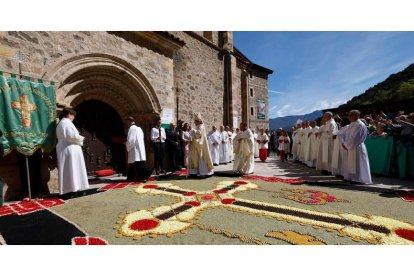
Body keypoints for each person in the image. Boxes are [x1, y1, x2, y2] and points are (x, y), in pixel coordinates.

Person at [56, 108, 89, 195]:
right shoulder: (67, 123)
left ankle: (72, 189)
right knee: (73, 168)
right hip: (70, 148)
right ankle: (73, 190)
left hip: (65, 148)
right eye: (73, 115)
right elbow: (71, 136)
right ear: (69, 114)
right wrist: (81, 138)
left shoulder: (61, 123)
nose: (73, 117)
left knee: (69, 169)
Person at [341, 110, 372, 184]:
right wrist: (344, 143)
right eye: (349, 115)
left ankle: (359, 179)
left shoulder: (359, 125)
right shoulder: (352, 124)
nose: (349, 117)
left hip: (357, 147)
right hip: (351, 147)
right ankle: (351, 177)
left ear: (357, 115)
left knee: (358, 163)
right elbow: (346, 135)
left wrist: (345, 144)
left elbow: (355, 138)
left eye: (351, 115)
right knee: (351, 163)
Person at [188, 113, 214, 177]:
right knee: (196, 158)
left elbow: (198, 135)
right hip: (196, 145)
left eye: (195, 121)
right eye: (194, 121)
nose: (194, 122)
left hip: (202, 146)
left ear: (199, 121)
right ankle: (195, 172)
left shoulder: (201, 126)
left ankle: (204, 173)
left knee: (202, 158)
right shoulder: (198, 126)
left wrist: (192, 130)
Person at [126, 116, 151, 181]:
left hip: (134, 149)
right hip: (140, 149)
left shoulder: (131, 128)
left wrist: (127, 145)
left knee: (138, 165)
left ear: (129, 121)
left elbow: (131, 140)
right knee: (135, 164)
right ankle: (131, 177)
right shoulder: (139, 128)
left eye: (127, 122)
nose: (126, 124)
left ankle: (146, 173)